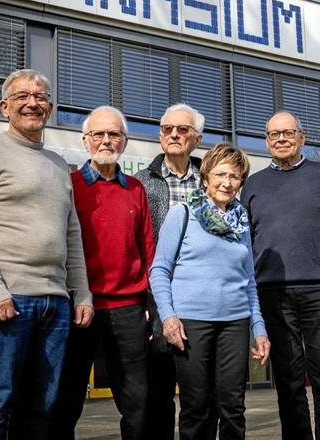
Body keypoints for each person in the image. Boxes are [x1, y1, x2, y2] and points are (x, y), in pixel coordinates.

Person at [0, 69, 93, 439]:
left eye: (40, 96)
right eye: (22, 96)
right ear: (4, 106)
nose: (33, 102)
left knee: (42, 409)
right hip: (5, 299)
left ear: (49, 107)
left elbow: (72, 232)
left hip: (55, 305)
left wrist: (81, 292)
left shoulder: (59, 165)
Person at [240, 111, 320, 440]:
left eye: (288, 133)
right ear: (266, 141)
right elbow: (242, 243)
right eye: (273, 134)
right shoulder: (253, 185)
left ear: (301, 138)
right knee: (289, 384)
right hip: (272, 295)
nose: (281, 139)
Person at [150, 142, 270, 440]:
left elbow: (249, 281)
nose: (227, 182)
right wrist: (168, 317)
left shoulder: (241, 222)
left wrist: (259, 328)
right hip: (192, 323)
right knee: (197, 408)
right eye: (220, 174)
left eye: (235, 176)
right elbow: (159, 270)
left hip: (235, 323)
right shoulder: (183, 214)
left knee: (233, 407)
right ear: (205, 177)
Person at [49, 106, 155, 439]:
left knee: (137, 402)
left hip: (128, 308)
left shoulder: (136, 189)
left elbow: (147, 248)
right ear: (86, 141)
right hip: (79, 306)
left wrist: (152, 304)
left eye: (114, 134)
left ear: (124, 141)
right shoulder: (69, 186)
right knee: (66, 399)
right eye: (99, 134)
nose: (106, 140)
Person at [134, 103, 204, 440]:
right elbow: (134, 247)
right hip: (156, 301)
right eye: (167, 129)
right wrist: (144, 305)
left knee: (201, 396)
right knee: (157, 396)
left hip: (202, 300)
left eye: (182, 130)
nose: (174, 135)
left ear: (197, 139)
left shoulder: (212, 181)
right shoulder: (140, 184)